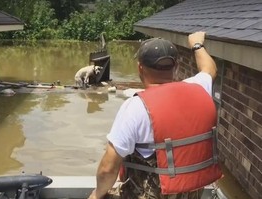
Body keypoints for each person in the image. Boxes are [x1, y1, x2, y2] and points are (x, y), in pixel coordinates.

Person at [88, 31, 223, 199]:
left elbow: (107, 169)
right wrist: (197, 44)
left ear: (140, 67)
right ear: (176, 67)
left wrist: (96, 194)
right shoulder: (200, 88)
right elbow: (210, 69)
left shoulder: (136, 107)